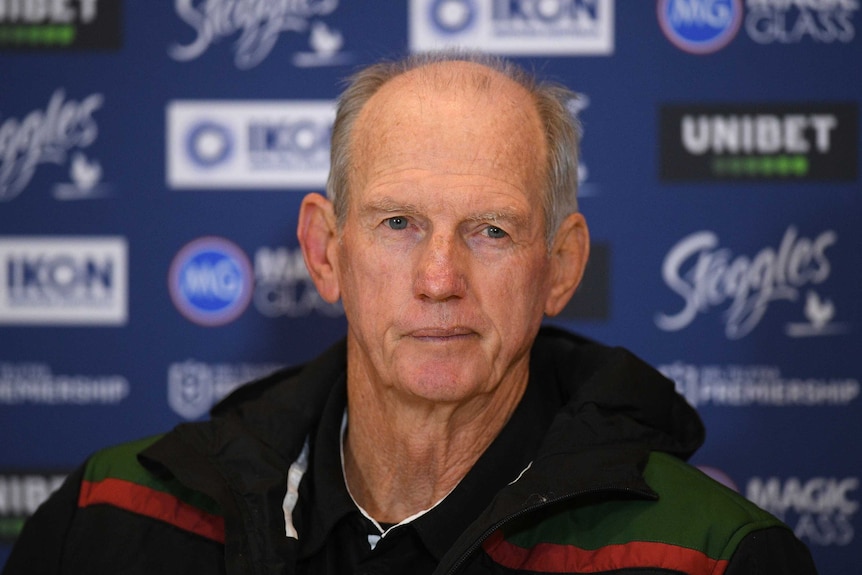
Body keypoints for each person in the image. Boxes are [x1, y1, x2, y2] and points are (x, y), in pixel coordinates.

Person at [3, 52, 817, 575]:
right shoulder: (114, 519)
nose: (439, 278)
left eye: (490, 231)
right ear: (325, 252)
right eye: (399, 224)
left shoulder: (705, 557)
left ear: (561, 267)